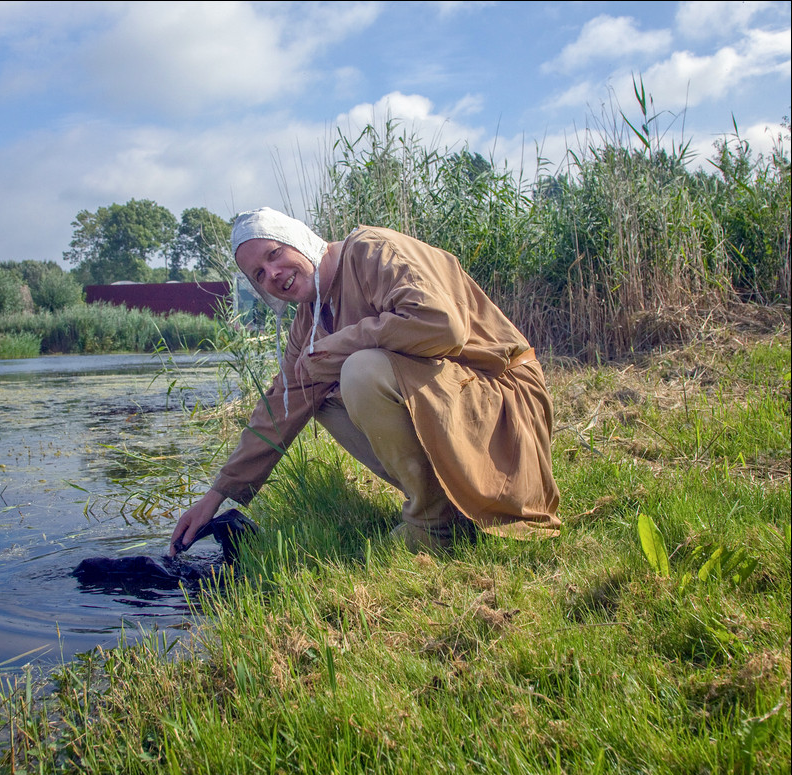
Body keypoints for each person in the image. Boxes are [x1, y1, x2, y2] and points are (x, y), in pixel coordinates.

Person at [168, 207, 560, 558]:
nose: (273, 274)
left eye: (274, 254)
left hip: (502, 398)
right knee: (313, 389)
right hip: (455, 401)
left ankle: (434, 525)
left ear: (297, 240)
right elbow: (282, 406)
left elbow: (445, 326)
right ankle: (443, 505)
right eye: (258, 274)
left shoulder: (370, 251)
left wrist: (345, 341)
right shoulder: (309, 317)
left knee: (357, 370)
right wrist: (216, 495)